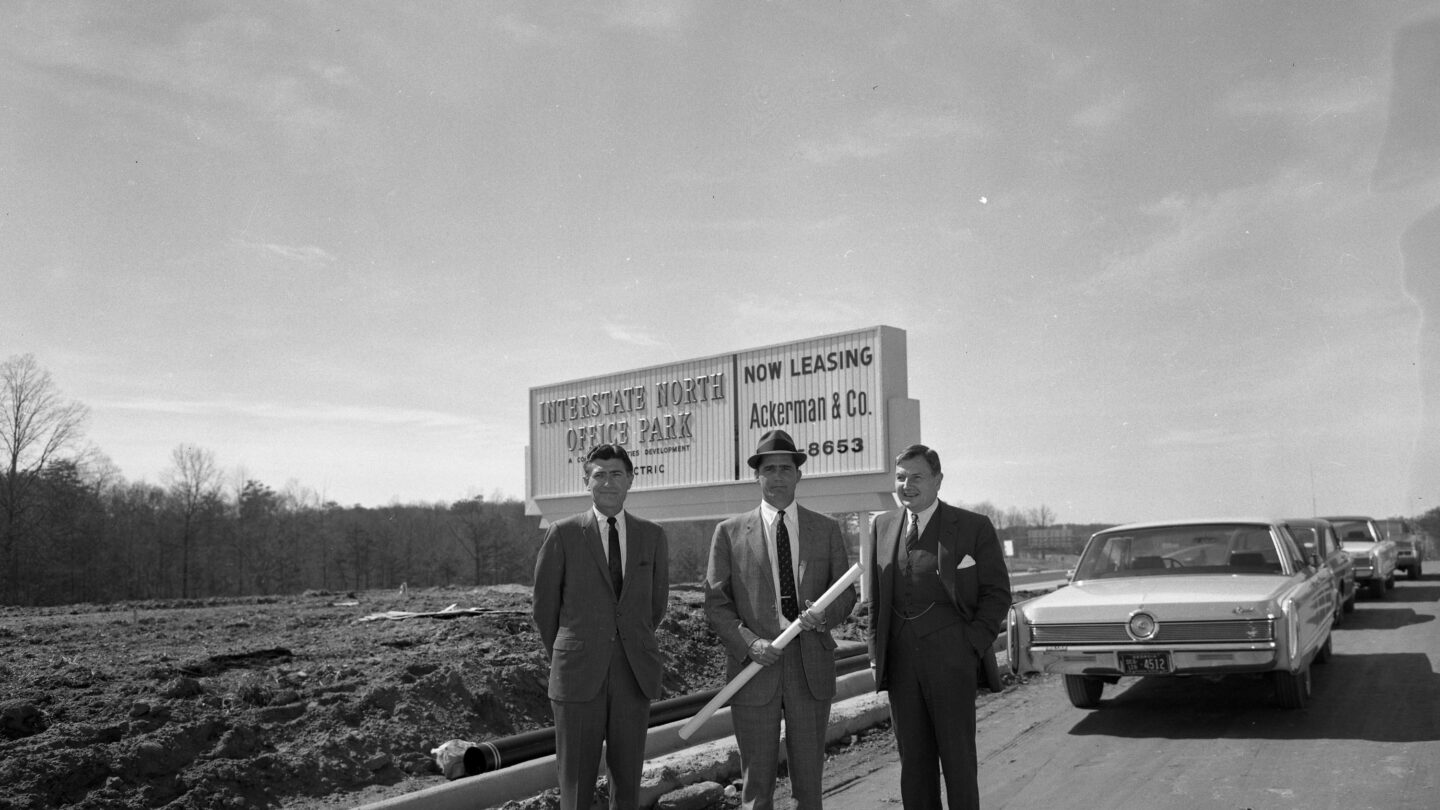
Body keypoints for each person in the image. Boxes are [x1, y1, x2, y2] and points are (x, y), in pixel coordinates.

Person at [704, 429, 858, 810]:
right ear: (757, 476)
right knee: (757, 785)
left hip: (810, 670)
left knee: (809, 781)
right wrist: (749, 643)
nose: (776, 477)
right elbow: (716, 604)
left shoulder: (825, 529)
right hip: (756, 670)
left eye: (785, 468)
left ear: (798, 475)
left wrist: (823, 618)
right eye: (768, 469)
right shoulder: (729, 533)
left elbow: (847, 593)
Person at [865, 444, 1011, 810]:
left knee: (957, 759)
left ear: (938, 481)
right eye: (900, 478)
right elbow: (876, 600)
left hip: (953, 659)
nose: (907, 485)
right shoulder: (881, 527)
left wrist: (972, 643)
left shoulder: (973, 527)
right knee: (913, 762)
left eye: (917, 477)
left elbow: (997, 593)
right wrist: (874, 655)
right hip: (901, 663)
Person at [533, 444, 670, 810]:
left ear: (630, 480)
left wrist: (626, 643)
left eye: (616, 474)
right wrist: (574, 650)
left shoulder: (652, 536)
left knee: (627, 782)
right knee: (576, 783)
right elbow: (544, 609)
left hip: (632, 673)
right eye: (599, 474)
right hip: (578, 676)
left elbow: (655, 607)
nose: (608, 482)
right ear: (586, 481)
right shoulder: (563, 534)